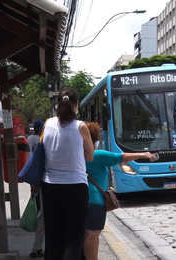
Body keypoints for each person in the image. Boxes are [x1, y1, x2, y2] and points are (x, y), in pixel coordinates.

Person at [83, 122, 155, 260]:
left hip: (81, 200)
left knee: (86, 234)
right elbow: (121, 157)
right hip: (95, 201)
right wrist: (143, 154)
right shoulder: (96, 155)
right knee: (93, 234)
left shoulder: (75, 156)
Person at [41, 88, 94, 260]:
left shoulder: (47, 124)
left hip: (50, 186)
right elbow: (90, 155)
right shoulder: (80, 127)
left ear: (57, 104)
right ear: (76, 105)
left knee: (53, 237)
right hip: (75, 187)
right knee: (73, 239)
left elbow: (42, 150)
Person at [26, 119, 45, 258]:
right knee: (43, 215)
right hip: (42, 181)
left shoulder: (33, 139)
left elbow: (29, 160)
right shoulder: (42, 141)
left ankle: (38, 247)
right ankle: (37, 247)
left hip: (37, 179)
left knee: (42, 214)